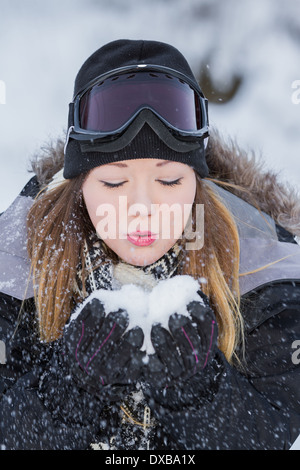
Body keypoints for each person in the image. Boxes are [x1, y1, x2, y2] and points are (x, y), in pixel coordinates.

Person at [0, 39, 299, 451]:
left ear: (197, 182)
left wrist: (201, 393)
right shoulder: (14, 260)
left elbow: (278, 428)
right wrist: (68, 392)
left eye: (169, 181)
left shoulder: (264, 263)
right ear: (80, 185)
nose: (141, 209)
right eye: (114, 182)